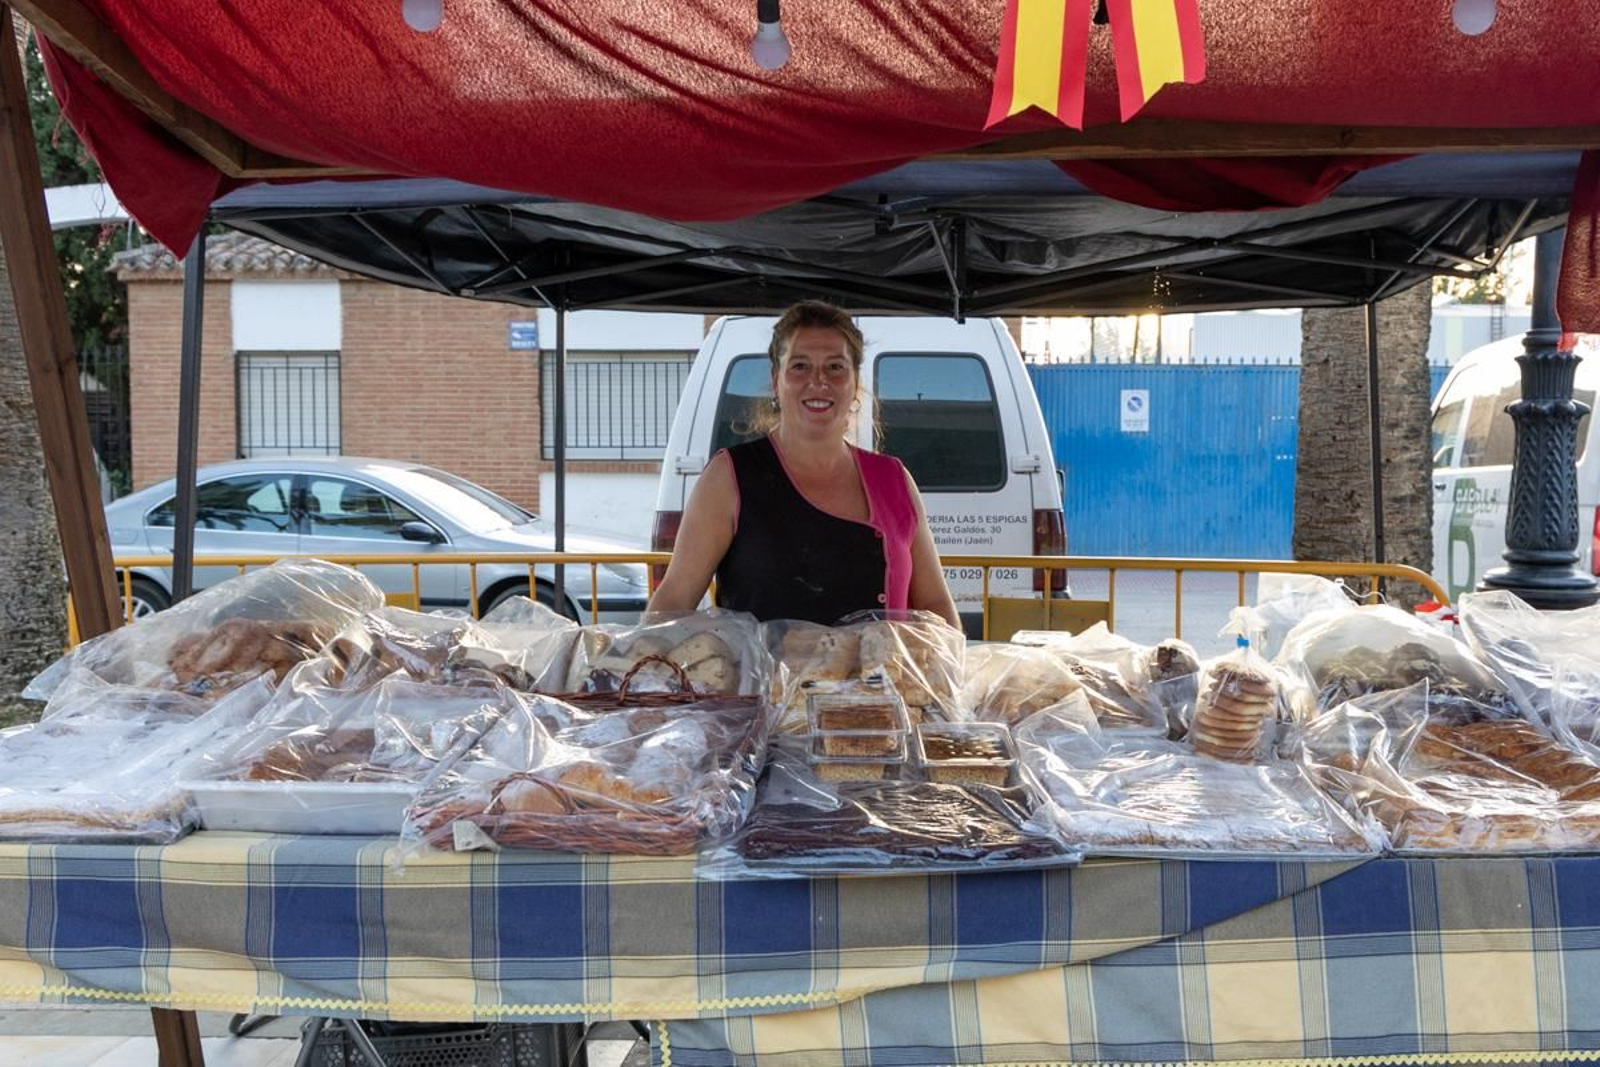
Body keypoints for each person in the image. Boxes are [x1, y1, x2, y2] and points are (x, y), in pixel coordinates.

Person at [649, 301, 960, 628]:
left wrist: (949, 667)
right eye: (800, 366)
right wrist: (638, 660)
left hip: (880, 678)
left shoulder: (894, 480)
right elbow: (675, 597)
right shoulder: (729, 477)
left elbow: (935, 603)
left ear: (855, 383)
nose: (818, 381)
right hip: (765, 680)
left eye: (835, 367)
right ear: (776, 381)